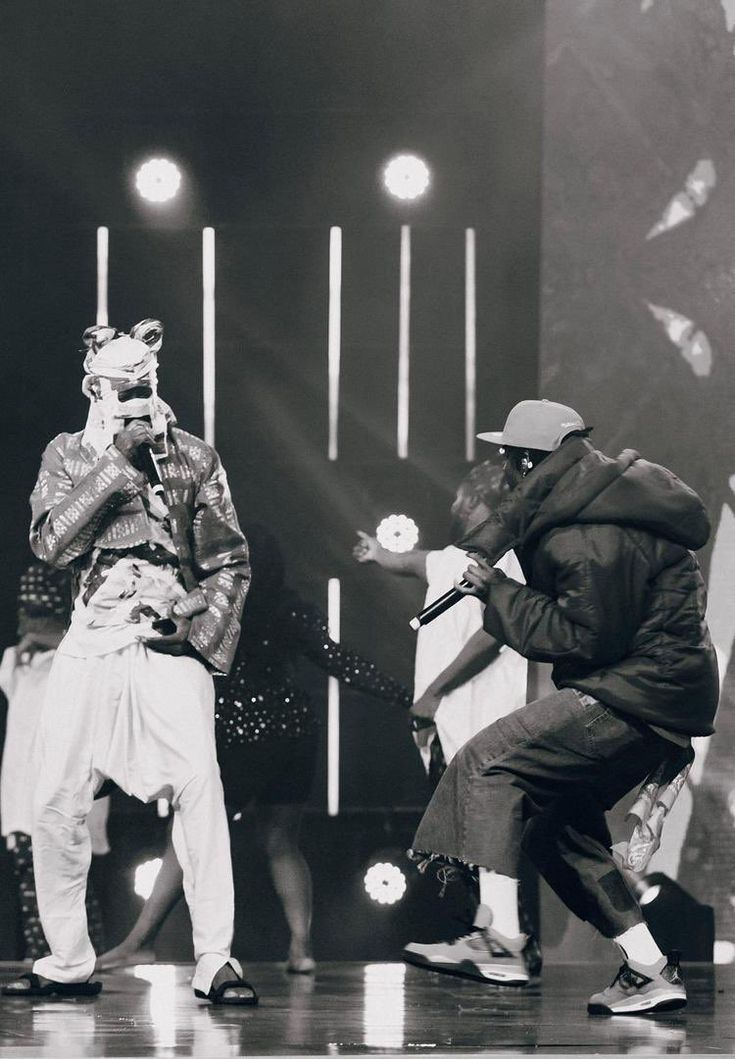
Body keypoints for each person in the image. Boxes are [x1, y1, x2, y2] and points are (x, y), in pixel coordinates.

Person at [405, 399, 719, 1015]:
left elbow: (583, 636)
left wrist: (498, 592)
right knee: (556, 828)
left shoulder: (586, 530)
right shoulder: (602, 502)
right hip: (658, 695)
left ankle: (499, 938)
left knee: (489, 759)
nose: (503, 471)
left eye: (509, 458)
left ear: (530, 462)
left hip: (636, 693)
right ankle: (649, 969)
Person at [1, 320, 255, 1005]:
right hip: (90, 639)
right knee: (54, 797)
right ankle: (67, 958)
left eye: (144, 384)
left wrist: (195, 625)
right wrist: (114, 461)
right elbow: (51, 545)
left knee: (200, 788)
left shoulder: (194, 457)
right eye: (122, 386)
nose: (137, 397)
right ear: (95, 388)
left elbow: (229, 561)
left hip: (167, 639)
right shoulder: (66, 455)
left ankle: (215, 958)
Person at [95, 523, 413, 974]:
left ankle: (139, 943)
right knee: (283, 843)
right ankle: (301, 948)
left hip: (236, 734)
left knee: (186, 837)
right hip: (292, 733)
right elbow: (340, 661)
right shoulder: (290, 609)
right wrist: (405, 695)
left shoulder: (212, 609)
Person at [354, 463, 540, 982]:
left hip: (482, 716)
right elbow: (414, 561)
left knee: (486, 825)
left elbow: (494, 633)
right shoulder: (452, 559)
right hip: (448, 722)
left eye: (466, 498)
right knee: (466, 837)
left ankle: (505, 939)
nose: (456, 506)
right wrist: (378, 553)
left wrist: (434, 692)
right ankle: (502, 936)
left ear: (479, 501)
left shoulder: (508, 562)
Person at [0, 562, 109, 960]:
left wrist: (49, 636)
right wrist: (31, 642)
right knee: (33, 889)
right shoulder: (16, 663)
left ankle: (81, 960)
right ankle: (44, 960)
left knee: (73, 884)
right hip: (22, 802)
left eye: (39, 614)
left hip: (67, 795)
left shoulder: (78, 658)